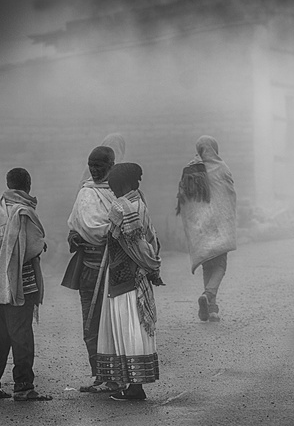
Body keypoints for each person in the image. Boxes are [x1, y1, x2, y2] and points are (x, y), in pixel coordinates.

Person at [0, 168, 51, 401]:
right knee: (21, 335)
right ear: (28, 184)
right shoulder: (24, 211)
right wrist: (41, 246)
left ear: (8, 183)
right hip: (21, 283)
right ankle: (24, 387)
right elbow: (33, 247)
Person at [96, 163, 164, 401]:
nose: (112, 190)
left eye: (113, 185)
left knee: (128, 328)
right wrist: (152, 266)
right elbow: (151, 240)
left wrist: (146, 264)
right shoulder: (140, 203)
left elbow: (135, 244)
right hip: (134, 277)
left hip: (126, 279)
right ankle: (133, 384)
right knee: (135, 328)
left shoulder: (122, 207)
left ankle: (135, 387)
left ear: (121, 185)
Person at [62, 145, 120, 393]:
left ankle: (114, 376)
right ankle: (99, 375)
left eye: (100, 165)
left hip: (115, 270)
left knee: (113, 325)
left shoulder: (120, 193)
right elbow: (76, 226)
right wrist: (74, 237)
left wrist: (111, 235)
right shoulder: (85, 193)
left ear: (111, 166)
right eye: (91, 165)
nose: (94, 170)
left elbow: (127, 224)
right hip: (89, 269)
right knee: (90, 324)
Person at [176, 135, 236, 321]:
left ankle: (211, 309)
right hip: (218, 225)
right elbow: (230, 195)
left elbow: (184, 201)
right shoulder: (222, 167)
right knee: (220, 265)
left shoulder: (190, 170)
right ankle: (209, 295)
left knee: (207, 264)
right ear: (214, 149)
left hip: (200, 226)